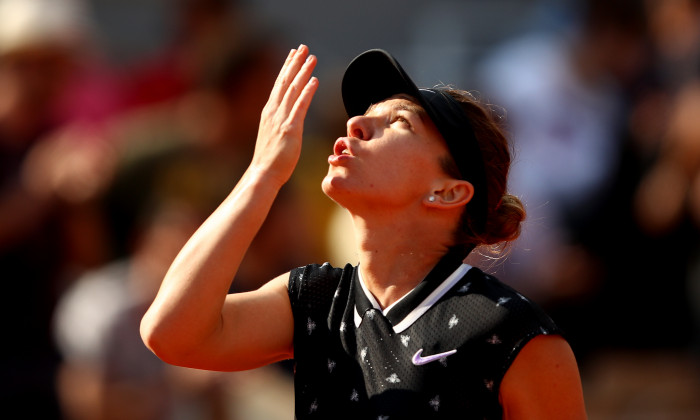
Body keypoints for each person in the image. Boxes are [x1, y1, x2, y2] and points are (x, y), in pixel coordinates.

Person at [141, 45, 587, 419]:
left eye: (398, 122)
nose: (356, 124)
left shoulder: (515, 332)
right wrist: (262, 173)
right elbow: (171, 333)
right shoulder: (316, 299)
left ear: (447, 192)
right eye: (366, 115)